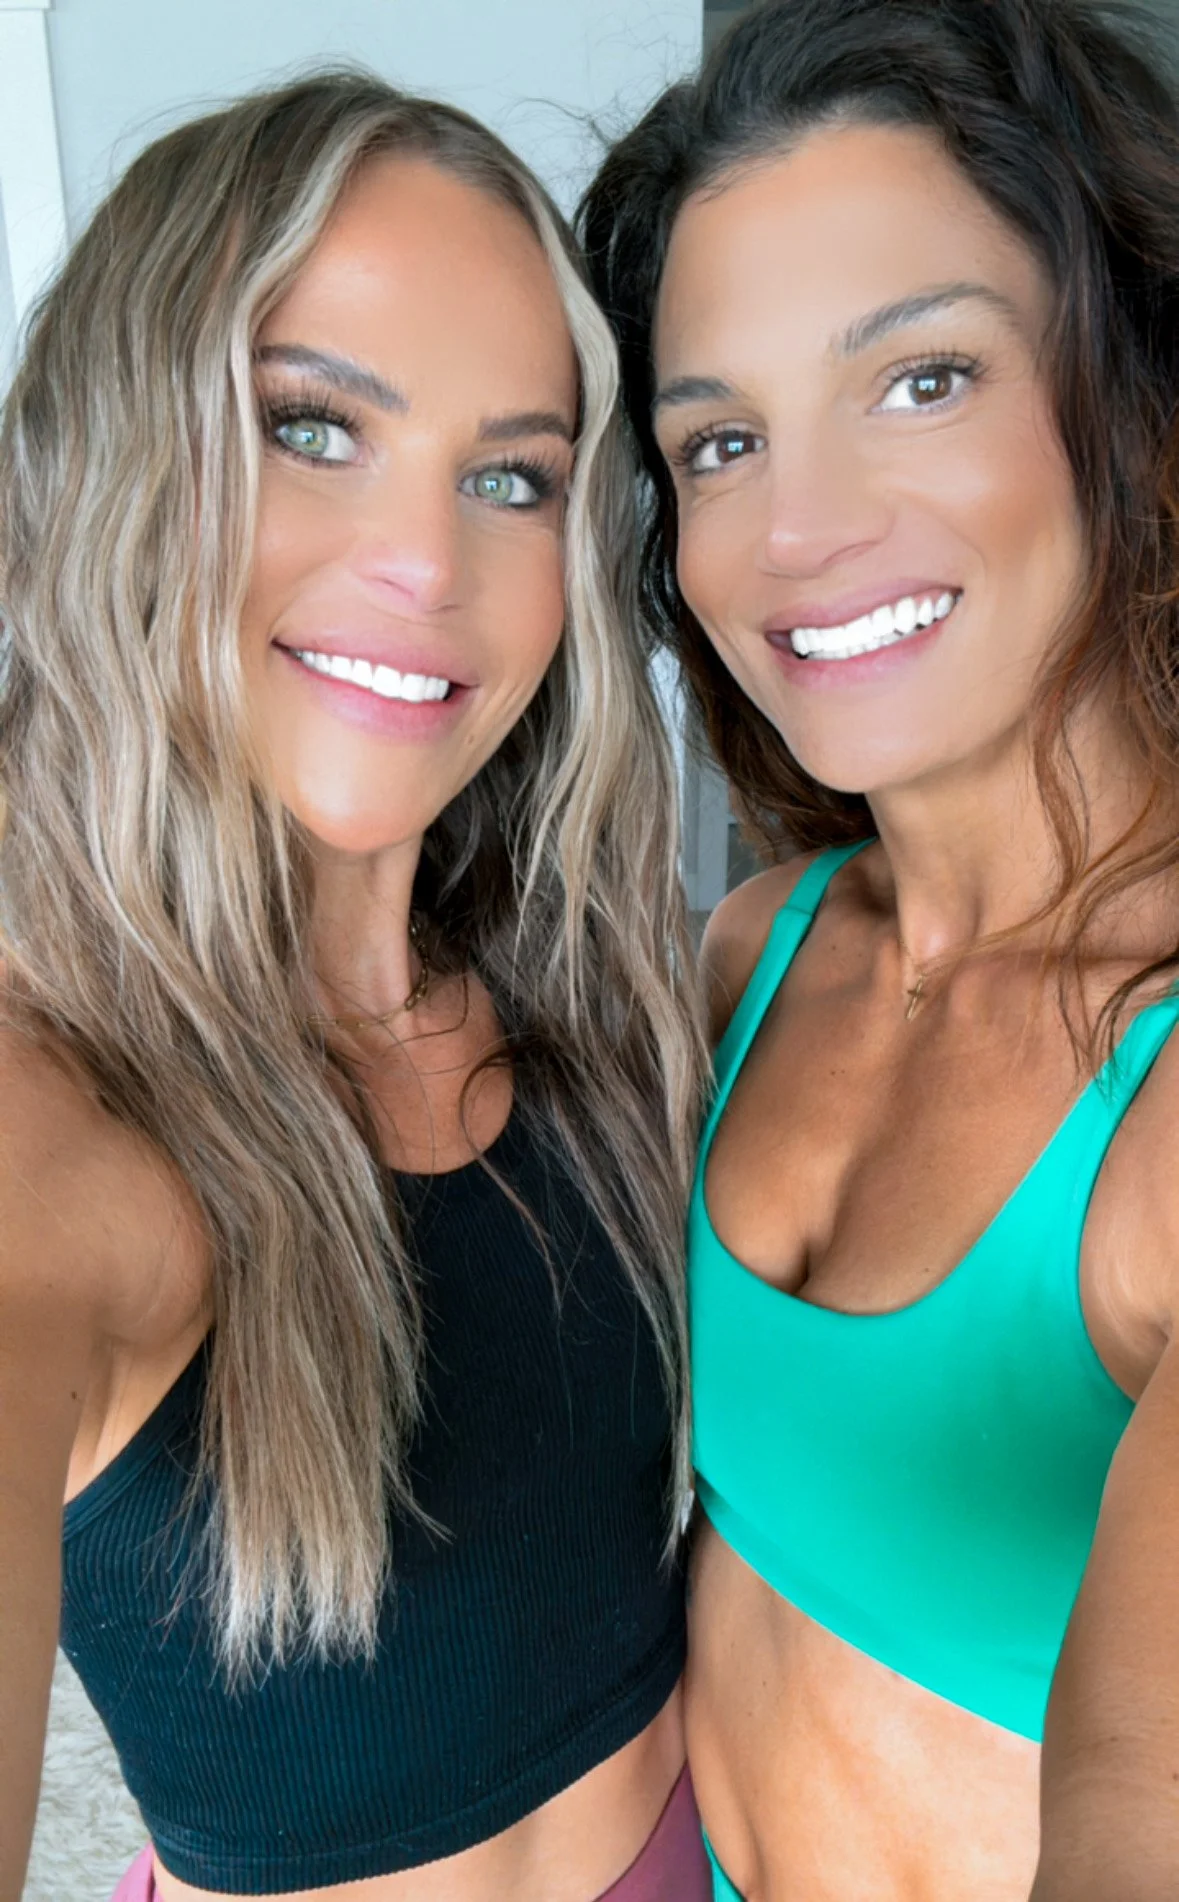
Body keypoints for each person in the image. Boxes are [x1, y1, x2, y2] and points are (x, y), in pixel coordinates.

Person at [0, 72, 714, 1902]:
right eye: (314, 427)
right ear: (121, 453)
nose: (428, 563)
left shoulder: (595, 997)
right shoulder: (45, 1119)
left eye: (511, 476)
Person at [580, 0, 1179, 1896]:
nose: (798, 529)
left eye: (921, 379)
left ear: (1131, 390)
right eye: (721, 438)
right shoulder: (740, 957)